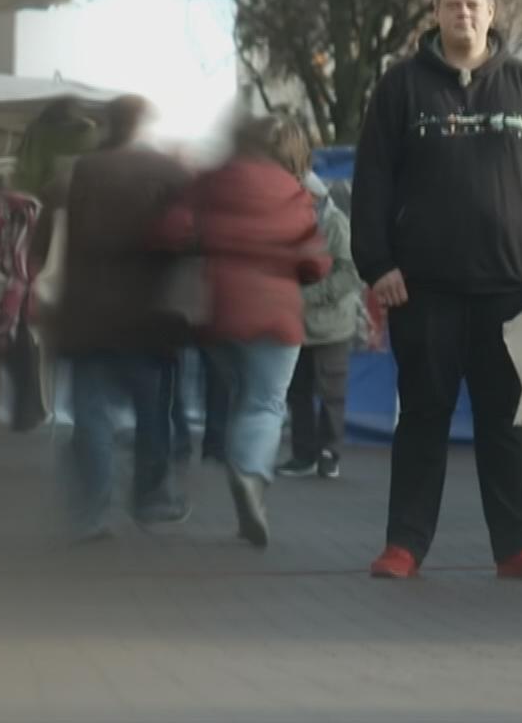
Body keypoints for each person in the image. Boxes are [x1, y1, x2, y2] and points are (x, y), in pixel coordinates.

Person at [352, 0, 522, 581]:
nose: (464, 15)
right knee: (423, 416)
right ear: (436, 13)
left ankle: (516, 546)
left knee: (503, 423)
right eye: (453, 5)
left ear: (492, 11)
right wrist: (379, 265)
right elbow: (371, 183)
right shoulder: (399, 91)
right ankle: (404, 545)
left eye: (474, 5)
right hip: (422, 290)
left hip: (508, 292)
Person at [155, 114, 330, 547]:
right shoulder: (296, 192)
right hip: (277, 316)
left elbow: (169, 230)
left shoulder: (211, 180)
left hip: (219, 312)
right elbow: (315, 262)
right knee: (267, 402)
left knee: (240, 397)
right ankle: (250, 473)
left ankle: (242, 472)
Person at [52, 95, 194, 542]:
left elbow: (63, 241)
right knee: (153, 411)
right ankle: (150, 498)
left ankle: (90, 513)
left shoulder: (84, 171)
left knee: (91, 414)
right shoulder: (169, 173)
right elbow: (190, 241)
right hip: (148, 314)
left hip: (89, 313)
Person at [279, 168, 365, 480]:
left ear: (313, 196)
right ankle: (303, 455)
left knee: (331, 394)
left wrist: (311, 295)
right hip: (297, 325)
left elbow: (350, 271)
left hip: (331, 327)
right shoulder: (290, 225)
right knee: (298, 393)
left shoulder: (335, 223)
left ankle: (330, 454)